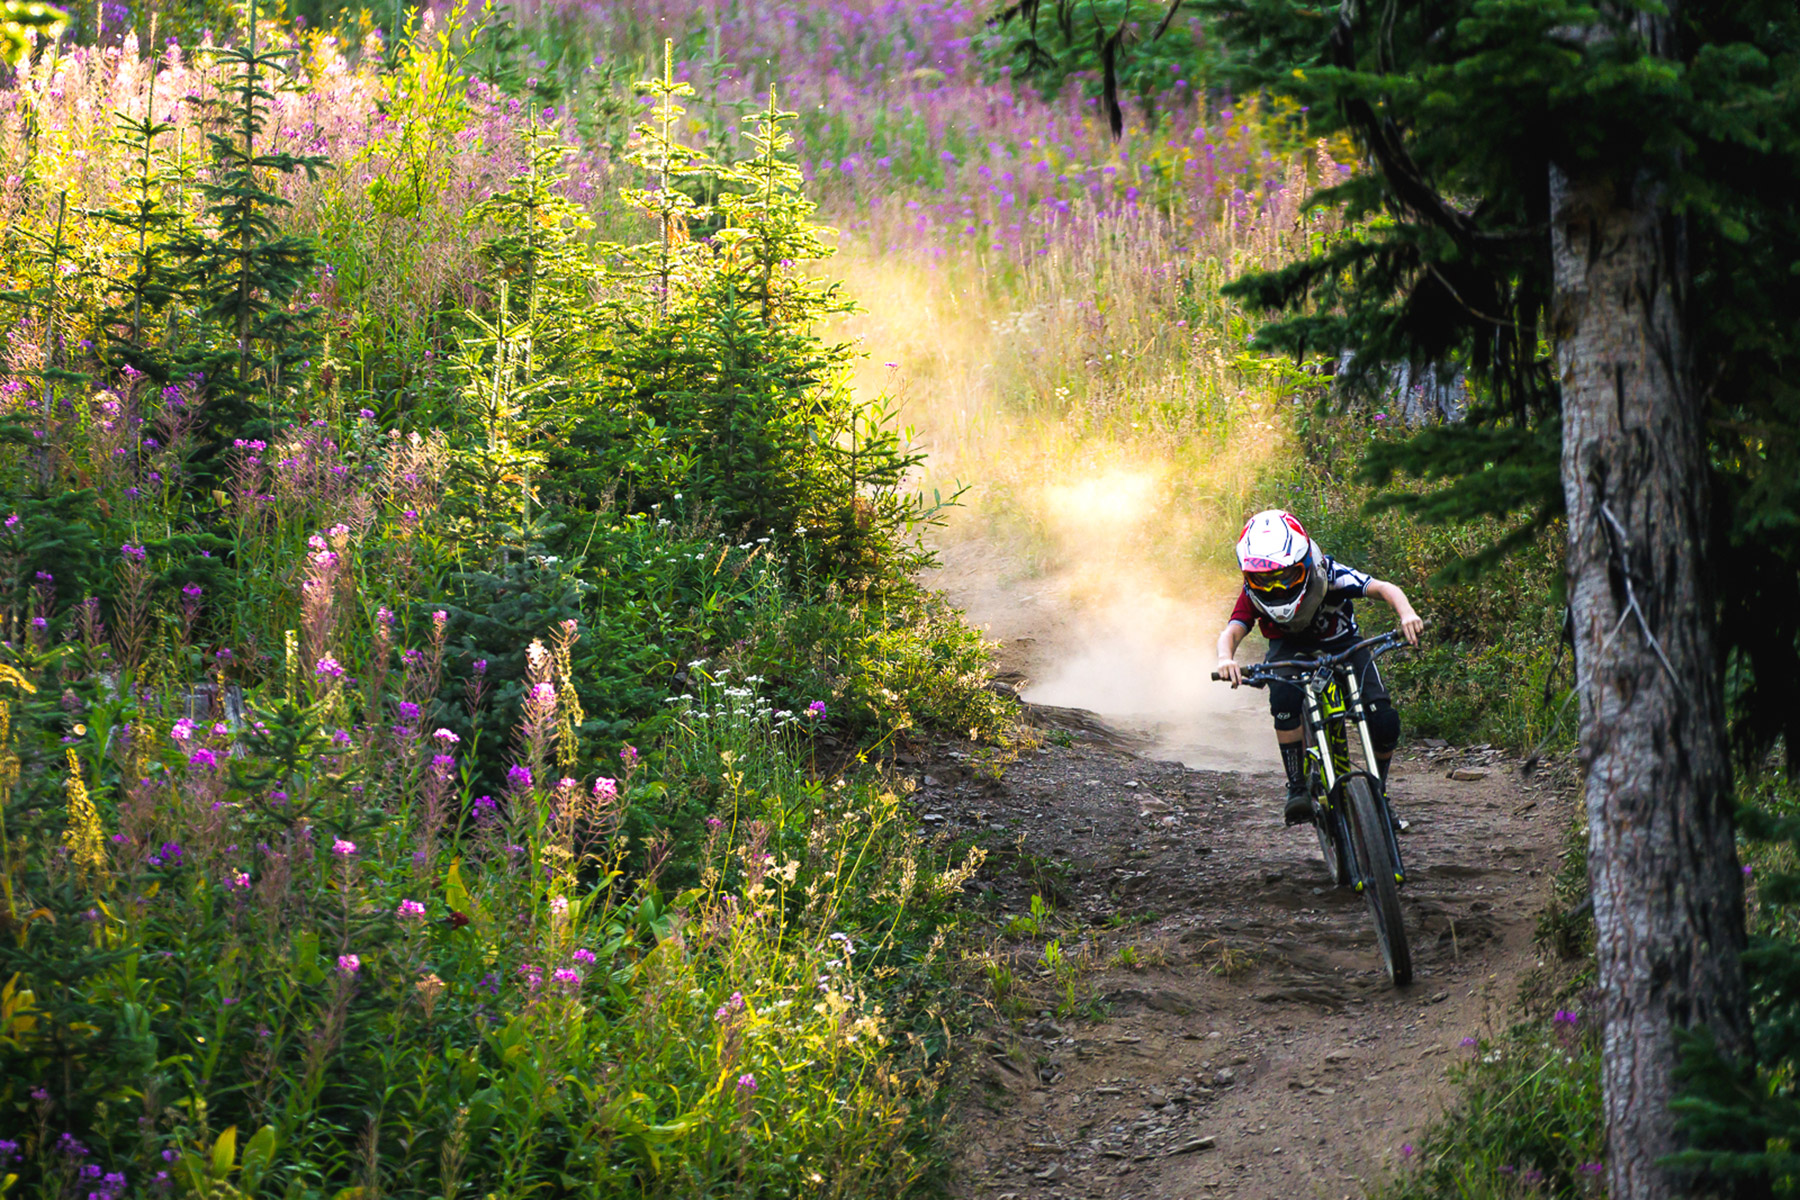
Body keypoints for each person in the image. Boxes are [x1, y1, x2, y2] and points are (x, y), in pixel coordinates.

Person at [1213, 510, 1424, 826]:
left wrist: (1406, 613)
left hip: (1345, 646)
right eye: (1263, 581)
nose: (1273, 589)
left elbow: (1383, 588)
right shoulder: (1251, 596)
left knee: (1385, 722)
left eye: (1284, 577)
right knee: (1283, 702)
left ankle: (1378, 793)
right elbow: (1232, 630)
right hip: (1290, 652)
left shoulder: (1329, 574)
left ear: (1304, 565)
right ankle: (1296, 786)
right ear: (1248, 576)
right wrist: (1225, 658)